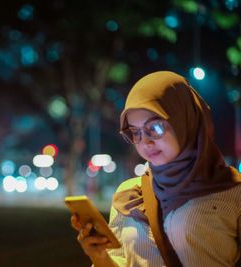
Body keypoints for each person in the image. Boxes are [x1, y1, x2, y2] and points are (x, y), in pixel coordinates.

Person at [71, 71, 241, 266]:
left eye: (156, 127)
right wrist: (99, 256)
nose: (146, 142)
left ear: (185, 121)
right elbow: (121, 260)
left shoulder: (232, 193)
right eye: (135, 132)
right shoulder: (129, 195)